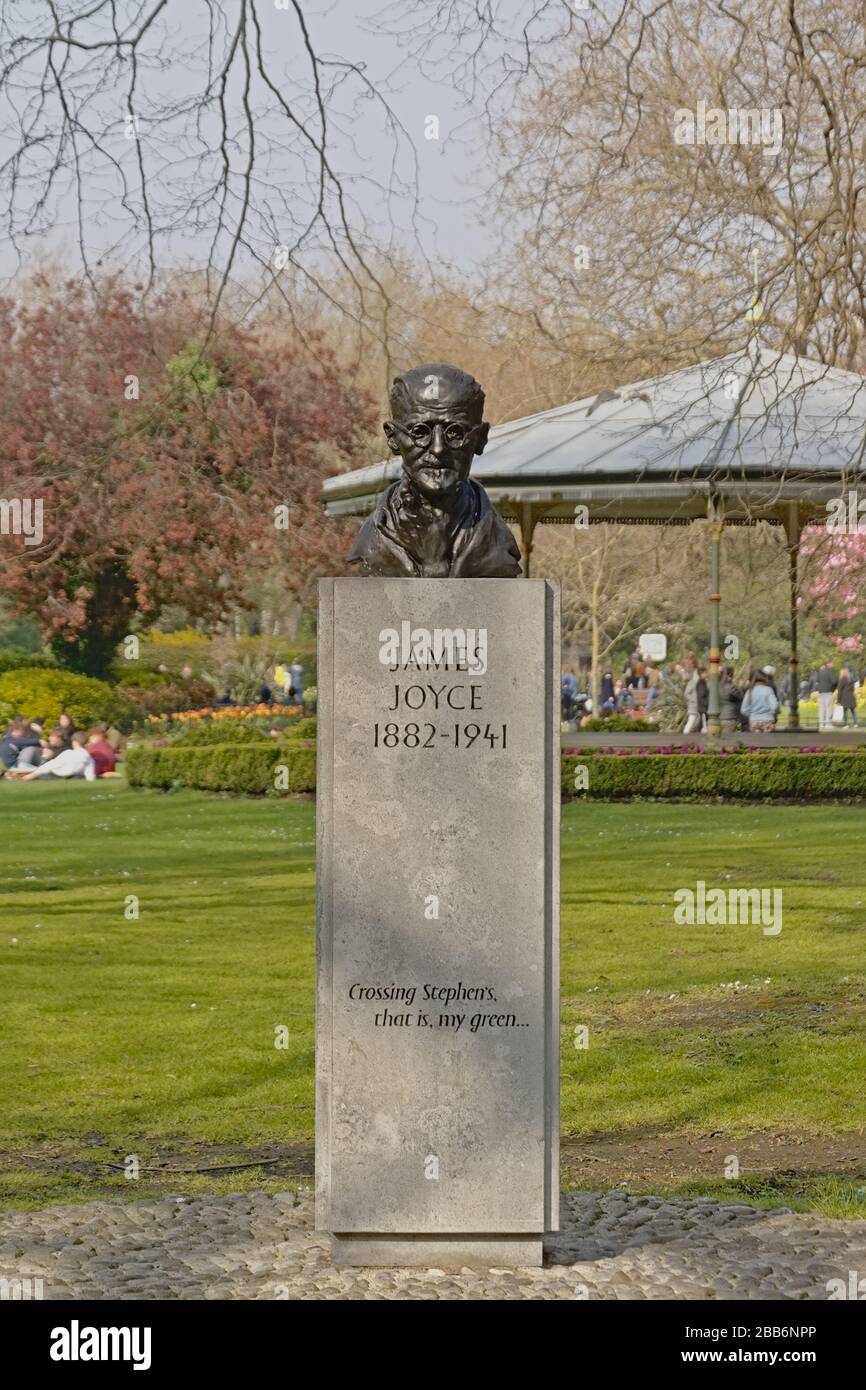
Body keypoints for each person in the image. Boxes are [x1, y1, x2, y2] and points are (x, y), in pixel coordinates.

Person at [15, 731, 96, 781]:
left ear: (74, 742)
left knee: (38, 775)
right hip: (72, 777)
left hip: (55, 776)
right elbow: (90, 776)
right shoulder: (89, 758)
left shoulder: (68, 753)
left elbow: (51, 765)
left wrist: (32, 775)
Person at [719, 666, 742, 734]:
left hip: (719, 717)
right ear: (729, 676)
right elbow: (740, 697)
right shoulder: (731, 687)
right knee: (728, 741)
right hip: (730, 717)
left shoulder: (717, 686)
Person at [816, 659, 837, 731]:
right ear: (828, 664)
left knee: (822, 709)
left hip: (821, 693)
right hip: (828, 692)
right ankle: (828, 723)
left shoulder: (820, 671)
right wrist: (832, 689)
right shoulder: (829, 671)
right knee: (829, 708)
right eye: (832, 663)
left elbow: (817, 681)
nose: (833, 665)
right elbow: (834, 681)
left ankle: (822, 723)